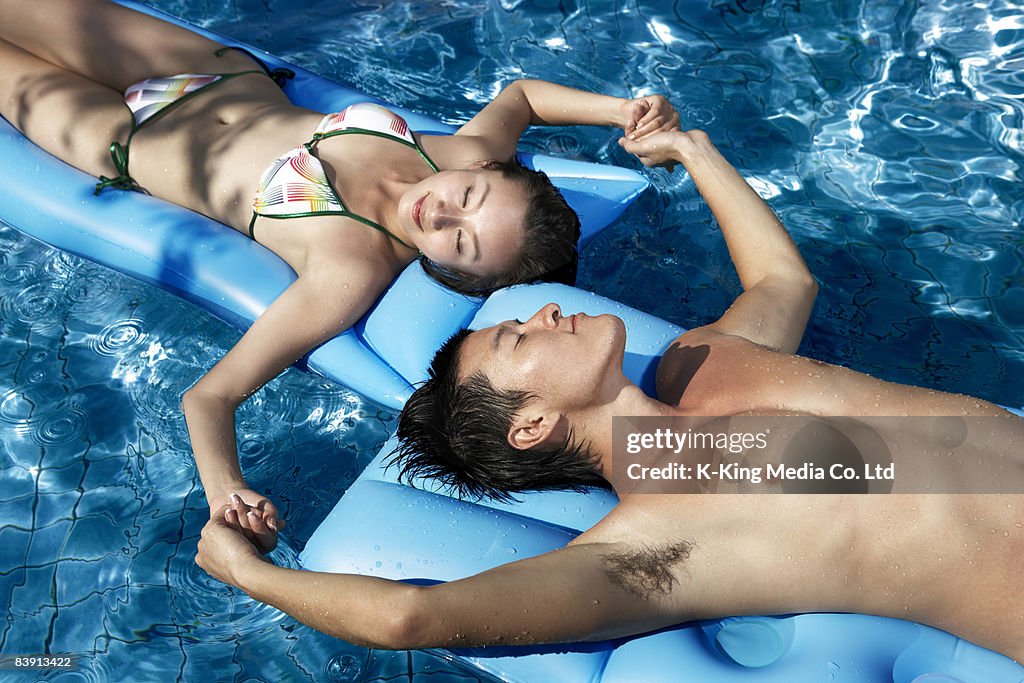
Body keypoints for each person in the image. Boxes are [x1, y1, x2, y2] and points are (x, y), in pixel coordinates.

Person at [196, 130, 1023, 662]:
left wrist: (694, 150)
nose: (545, 308)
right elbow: (408, 619)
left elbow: (782, 279)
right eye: (516, 339)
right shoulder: (654, 548)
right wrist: (248, 571)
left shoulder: (708, 363)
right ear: (532, 424)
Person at [0, 0, 681, 546]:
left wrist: (225, 489)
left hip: (123, 136)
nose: (443, 216)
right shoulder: (463, 151)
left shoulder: (347, 268)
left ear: (448, 273)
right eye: (468, 200)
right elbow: (525, 95)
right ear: (481, 171)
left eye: (461, 245)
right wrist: (623, 112)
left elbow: (210, 396)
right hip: (209, 70)